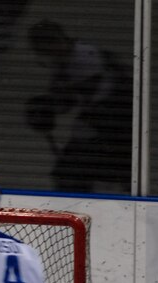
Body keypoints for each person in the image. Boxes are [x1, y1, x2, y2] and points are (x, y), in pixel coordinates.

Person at [25, 20, 131, 193]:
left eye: (44, 49)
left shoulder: (84, 58)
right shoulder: (66, 59)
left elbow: (74, 99)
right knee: (72, 174)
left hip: (113, 125)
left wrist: (51, 104)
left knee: (73, 174)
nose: (46, 55)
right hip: (104, 124)